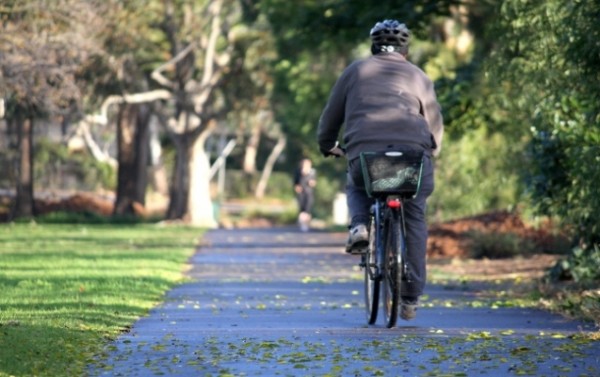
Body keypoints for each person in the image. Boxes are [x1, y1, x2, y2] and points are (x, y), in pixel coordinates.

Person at [317, 20, 444, 321]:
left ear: (373, 45)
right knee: (414, 217)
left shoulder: (355, 71)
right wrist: (433, 149)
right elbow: (435, 123)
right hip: (413, 157)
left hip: (365, 155)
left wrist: (327, 145)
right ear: (405, 49)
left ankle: (360, 225)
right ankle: (410, 297)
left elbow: (330, 118)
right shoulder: (419, 76)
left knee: (357, 181)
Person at [293, 158, 317, 232]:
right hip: (301, 192)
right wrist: (297, 187)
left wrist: (312, 183)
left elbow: (314, 182)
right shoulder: (298, 171)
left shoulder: (312, 172)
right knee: (302, 208)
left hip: (309, 192)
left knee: (307, 209)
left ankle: (306, 223)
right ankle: (302, 223)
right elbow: (295, 182)